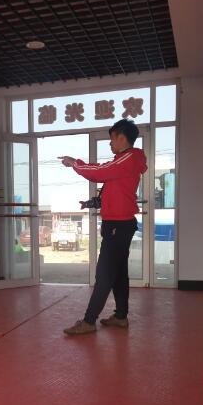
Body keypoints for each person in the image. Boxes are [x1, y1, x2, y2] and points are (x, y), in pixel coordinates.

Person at [60, 119, 147, 335]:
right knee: (118, 273)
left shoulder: (128, 157)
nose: (110, 143)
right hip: (117, 224)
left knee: (105, 273)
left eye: (112, 139)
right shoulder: (124, 162)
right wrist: (95, 201)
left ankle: (89, 321)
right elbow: (114, 191)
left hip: (119, 225)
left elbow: (99, 171)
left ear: (122, 137)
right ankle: (121, 316)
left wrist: (75, 163)